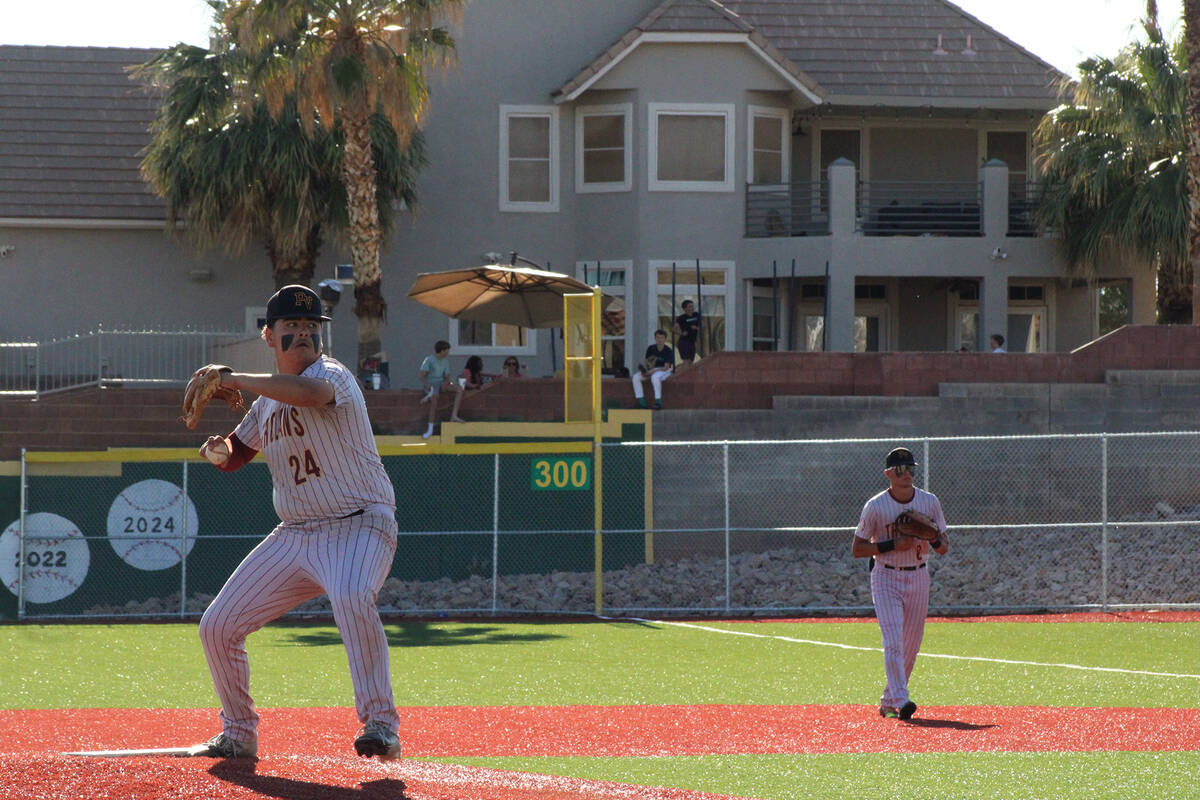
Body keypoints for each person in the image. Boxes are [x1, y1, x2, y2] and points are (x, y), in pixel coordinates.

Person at [189, 284, 402, 760]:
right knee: (217, 626)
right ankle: (239, 733)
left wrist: (237, 378)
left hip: (359, 524)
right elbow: (237, 455)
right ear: (269, 335)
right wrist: (218, 452)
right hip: (296, 535)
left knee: (350, 594)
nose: (304, 333)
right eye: (292, 326)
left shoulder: (333, 375)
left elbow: (308, 394)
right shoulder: (265, 404)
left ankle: (382, 726)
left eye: (311, 327)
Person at [851, 446, 949, 721]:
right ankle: (902, 699)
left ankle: (888, 700)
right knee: (892, 640)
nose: (908, 474)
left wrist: (933, 538)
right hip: (886, 575)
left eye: (912, 469)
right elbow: (857, 548)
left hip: (918, 574)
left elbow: (943, 547)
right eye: (902, 469)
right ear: (888, 474)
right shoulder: (876, 506)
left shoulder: (929, 502)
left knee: (911, 645)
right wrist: (893, 544)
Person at [418, 340, 464, 438]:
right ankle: (430, 429)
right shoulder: (429, 360)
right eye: (447, 350)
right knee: (435, 400)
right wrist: (428, 386)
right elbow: (422, 376)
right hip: (431, 384)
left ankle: (454, 415)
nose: (448, 352)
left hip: (441, 383)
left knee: (459, 389)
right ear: (442, 350)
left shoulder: (445, 362)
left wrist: (446, 382)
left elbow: (447, 377)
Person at [632, 329, 674, 409]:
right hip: (652, 370)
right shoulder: (651, 348)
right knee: (636, 377)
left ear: (665, 339)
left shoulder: (668, 351)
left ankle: (658, 402)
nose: (659, 340)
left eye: (662, 338)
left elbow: (666, 367)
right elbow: (647, 363)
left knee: (655, 377)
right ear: (655, 338)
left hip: (664, 370)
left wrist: (652, 371)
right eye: (657, 337)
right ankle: (642, 402)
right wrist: (645, 371)